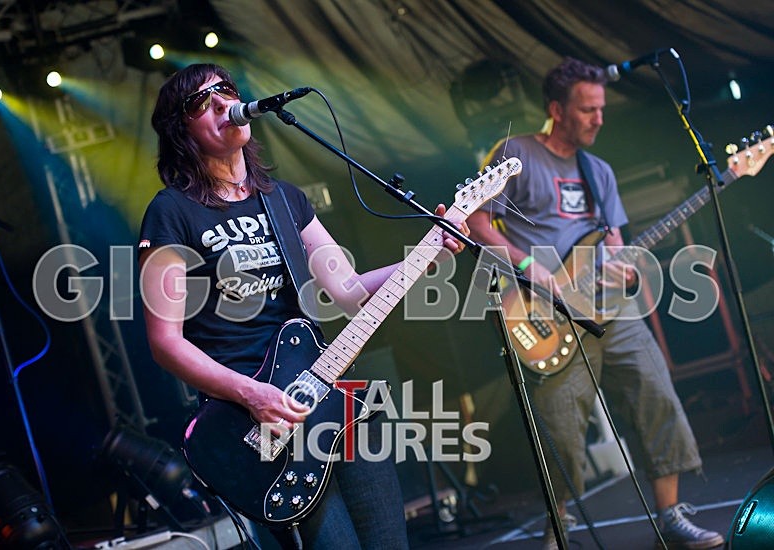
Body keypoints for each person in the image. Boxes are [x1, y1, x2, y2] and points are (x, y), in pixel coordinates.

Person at [137, 63, 468, 549]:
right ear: (180, 130)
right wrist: (252, 394)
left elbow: (350, 290)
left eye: (225, 91)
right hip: (257, 425)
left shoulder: (284, 200)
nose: (222, 103)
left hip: (330, 400)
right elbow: (165, 342)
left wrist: (430, 248)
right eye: (200, 102)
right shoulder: (171, 212)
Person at [468, 57, 724, 549]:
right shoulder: (515, 152)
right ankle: (558, 530)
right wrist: (527, 266)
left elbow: (613, 237)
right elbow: (477, 220)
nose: (599, 119)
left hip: (609, 307)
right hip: (545, 313)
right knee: (562, 428)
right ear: (556, 110)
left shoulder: (599, 171)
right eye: (587, 110)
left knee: (657, 395)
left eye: (601, 109)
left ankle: (671, 516)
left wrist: (622, 265)